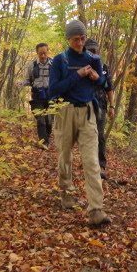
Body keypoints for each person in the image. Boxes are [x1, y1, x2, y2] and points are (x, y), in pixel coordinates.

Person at [49, 20, 111, 226]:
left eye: (83, 38)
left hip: (88, 113)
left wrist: (96, 77)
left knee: (92, 161)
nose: (80, 42)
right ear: (68, 39)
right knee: (65, 155)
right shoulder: (59, 61)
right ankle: (66, 191)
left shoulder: (94, 59)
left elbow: (103, 83)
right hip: (65, 113)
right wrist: (77, 75)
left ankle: (96, 208)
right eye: (76, 39)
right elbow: (54, 90)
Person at [84, 38, 115, 180]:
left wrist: (112, 106)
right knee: (87, 135)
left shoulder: (104, 67)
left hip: (100, 104)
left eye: (94, 50)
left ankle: (101, 166)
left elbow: (109, 87)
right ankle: (89, 164)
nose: (93, 53)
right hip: (83, 104)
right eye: (90, 51)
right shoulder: (81, 67)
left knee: (100, 135)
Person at [23, 43, 53, 147]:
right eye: (41, 54)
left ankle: (47, 136)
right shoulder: (32, 65)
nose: (43, 56)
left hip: (51, 95)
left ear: (47, 52)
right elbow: (27, 80)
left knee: (49, 119)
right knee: (40, 118)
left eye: (45, 53)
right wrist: (21, 83)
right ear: (37, 53)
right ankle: (43, 142)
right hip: (37, 95)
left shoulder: (54, 64)